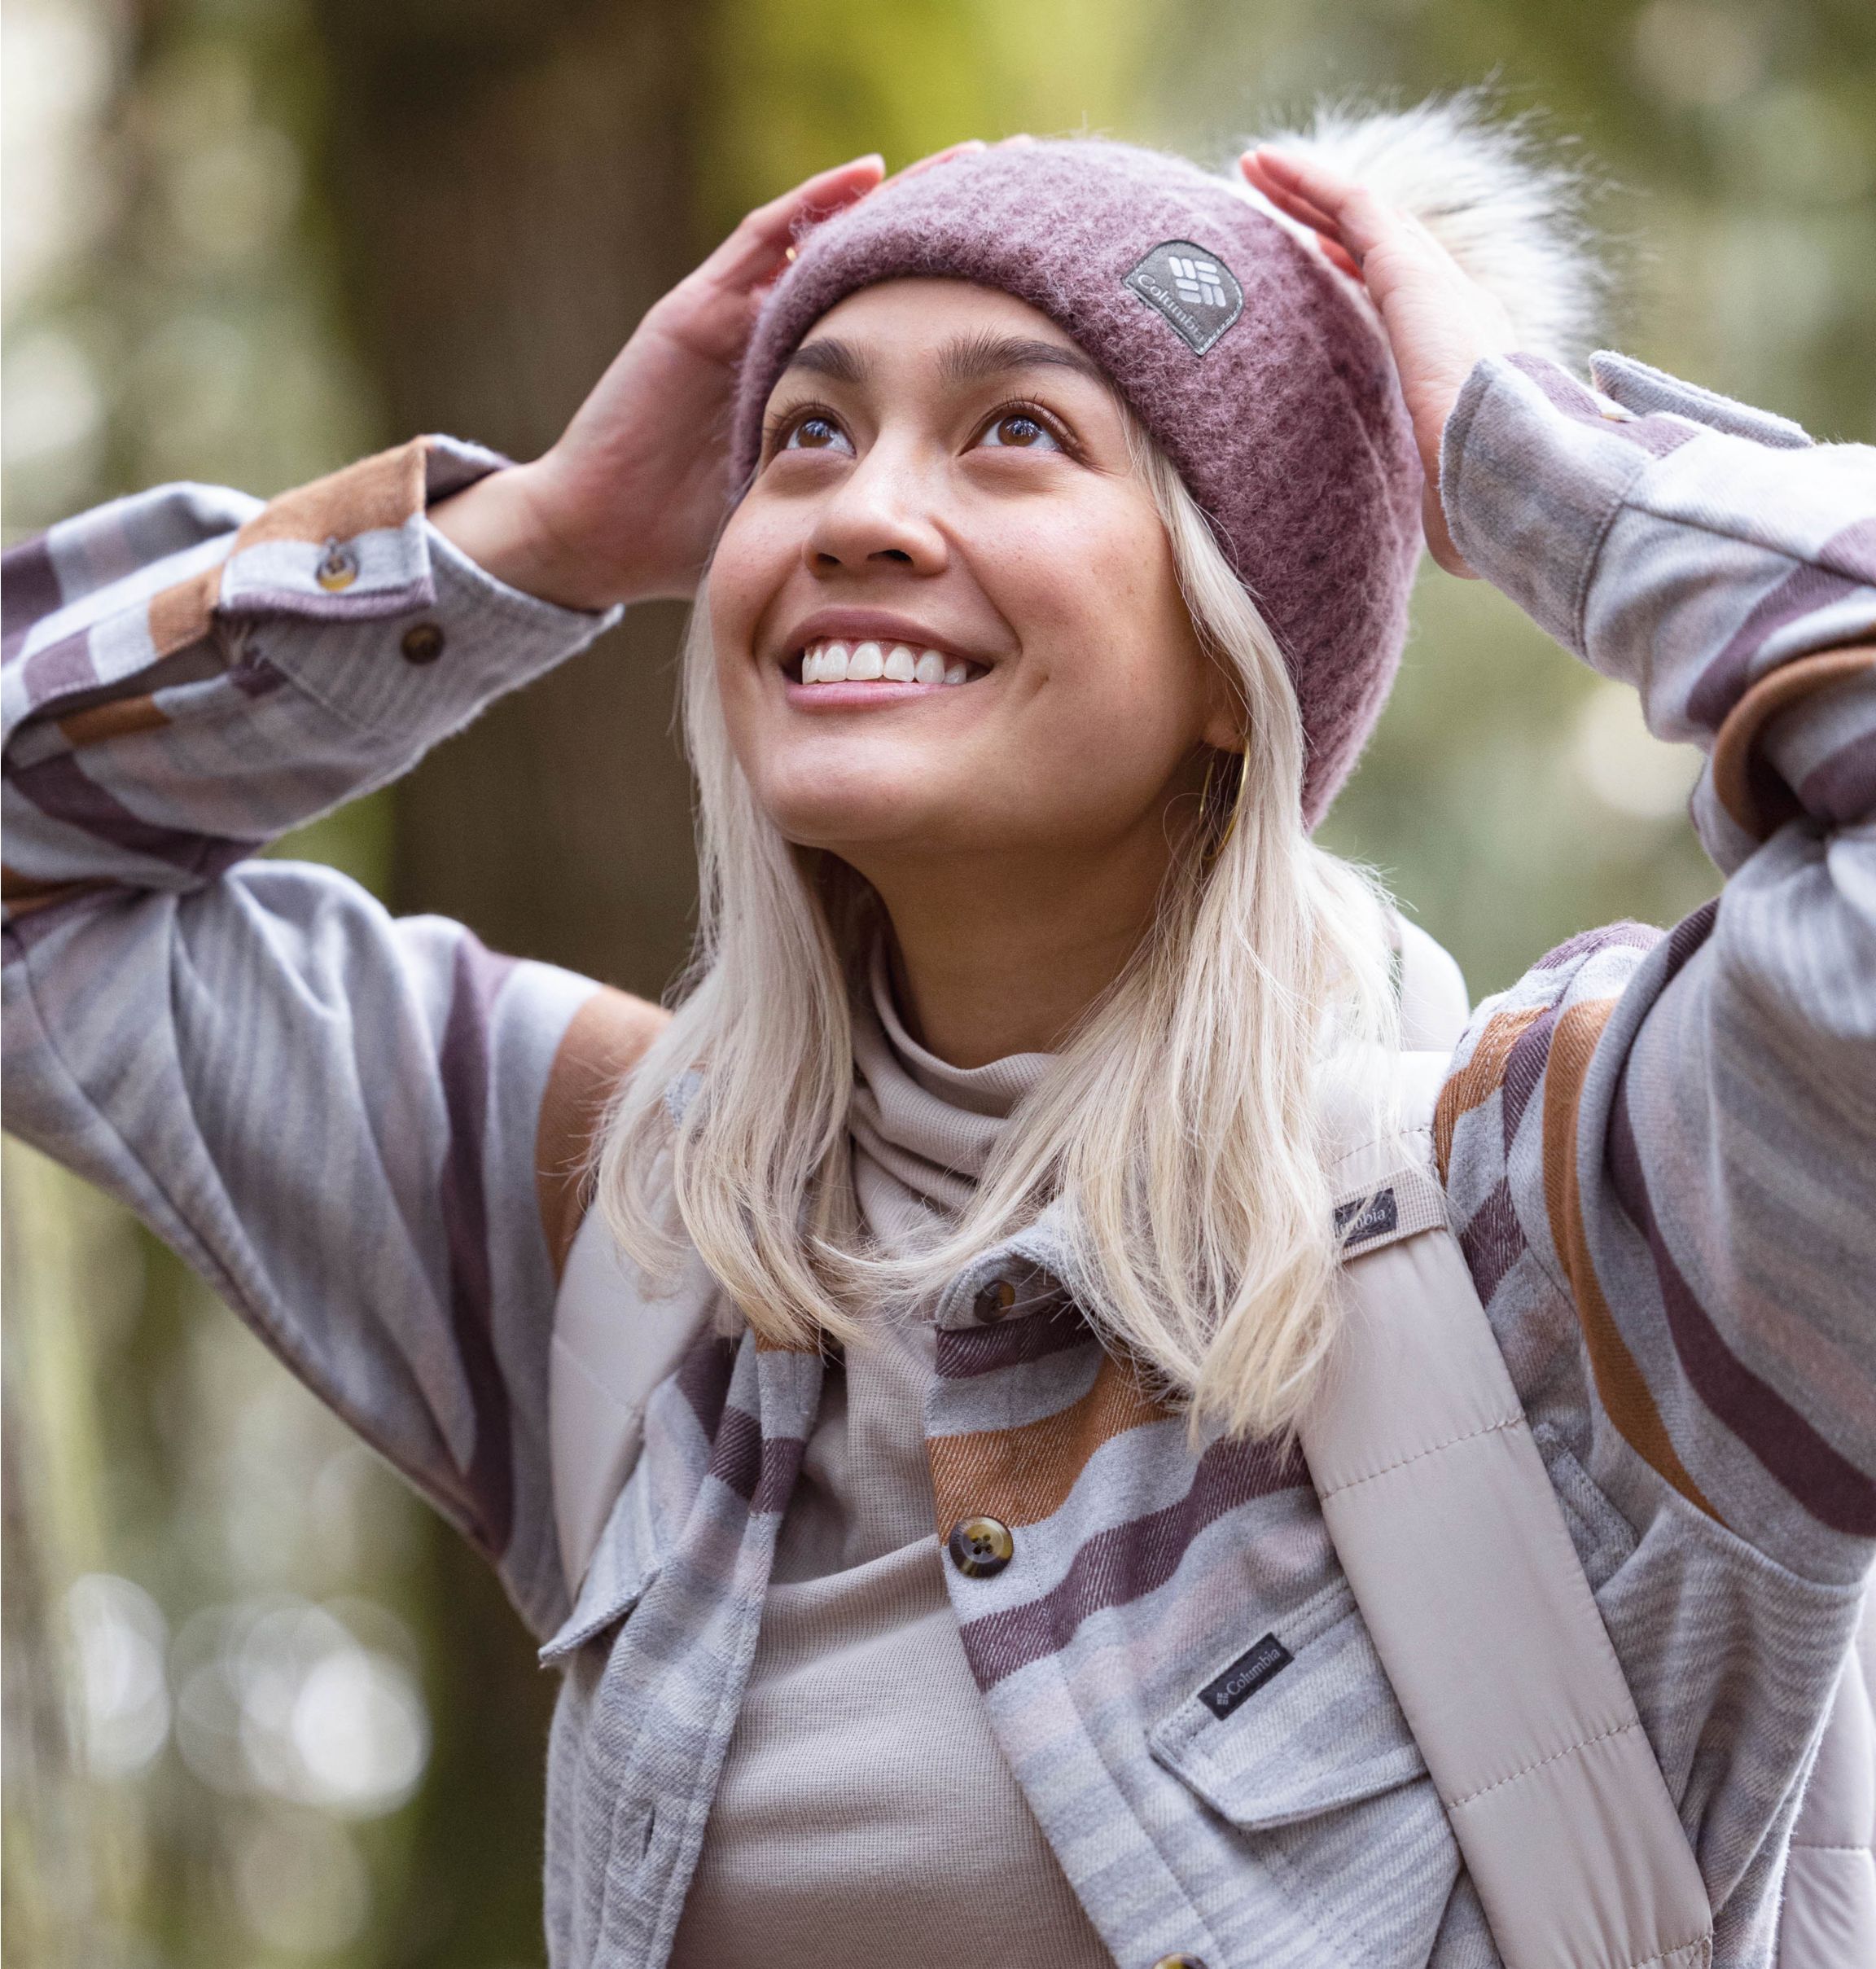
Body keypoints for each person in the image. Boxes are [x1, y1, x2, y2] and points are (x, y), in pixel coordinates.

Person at [4, 100, 1872, 1969]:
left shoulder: (1591, 1243)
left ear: (1246, 659)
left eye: (1019, 433)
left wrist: (1530, 463)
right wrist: (535, 537)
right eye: (806, 431)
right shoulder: (620, 1229)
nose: (864, 514)